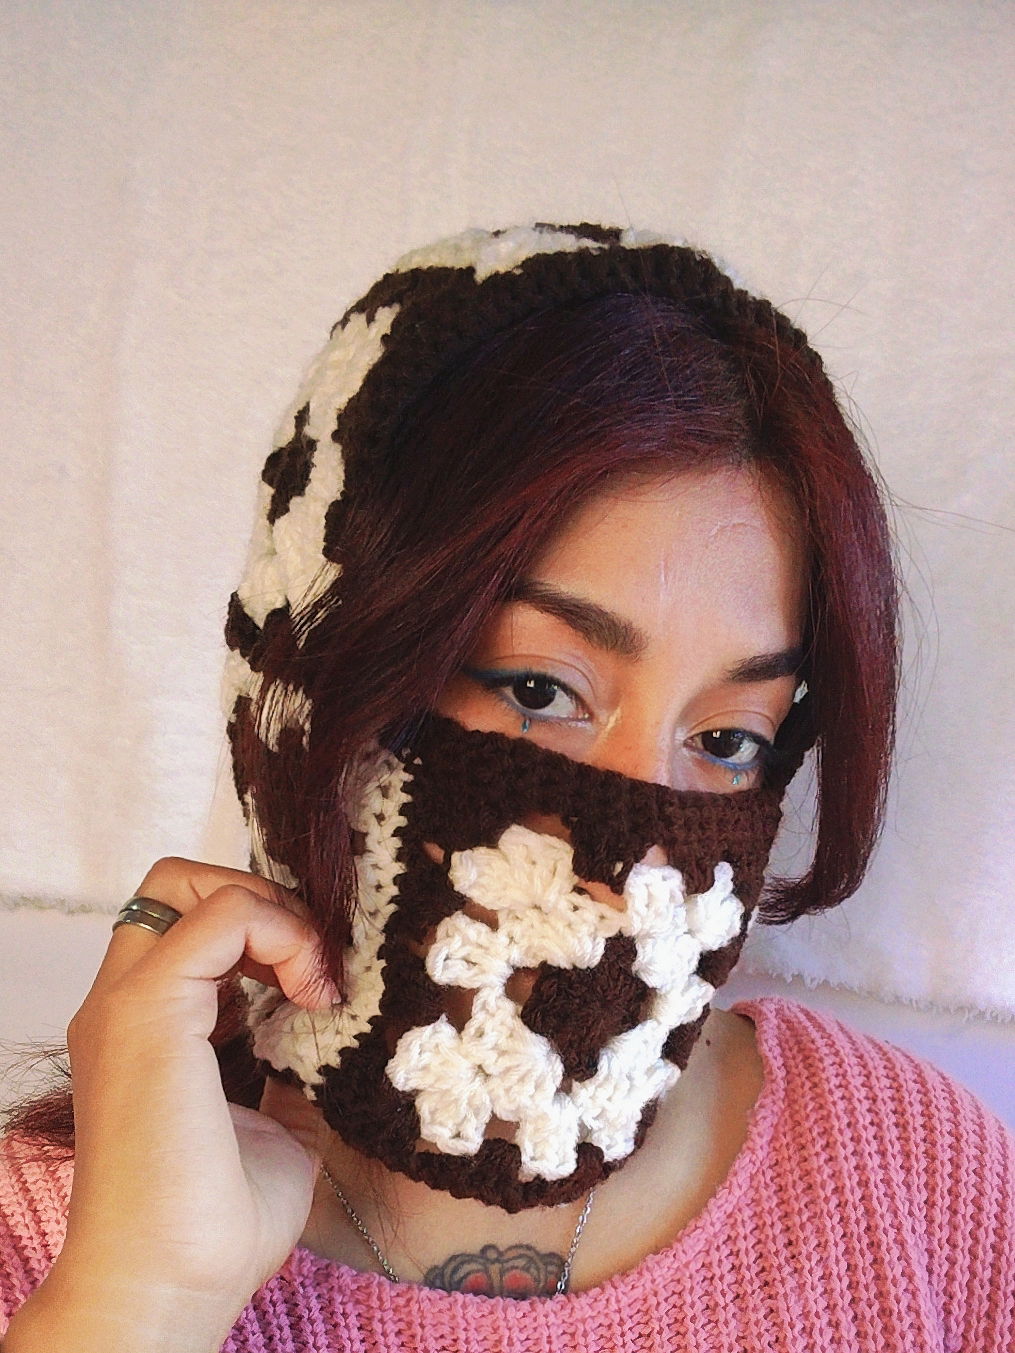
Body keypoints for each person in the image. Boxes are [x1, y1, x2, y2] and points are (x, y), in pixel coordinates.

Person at [1, 224, 1012, 1352]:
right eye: (539, 687)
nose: (636, 866)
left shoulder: (916, 1179)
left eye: (727, 737)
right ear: (314, 691)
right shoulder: (56, 1258)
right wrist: (140, 1303)